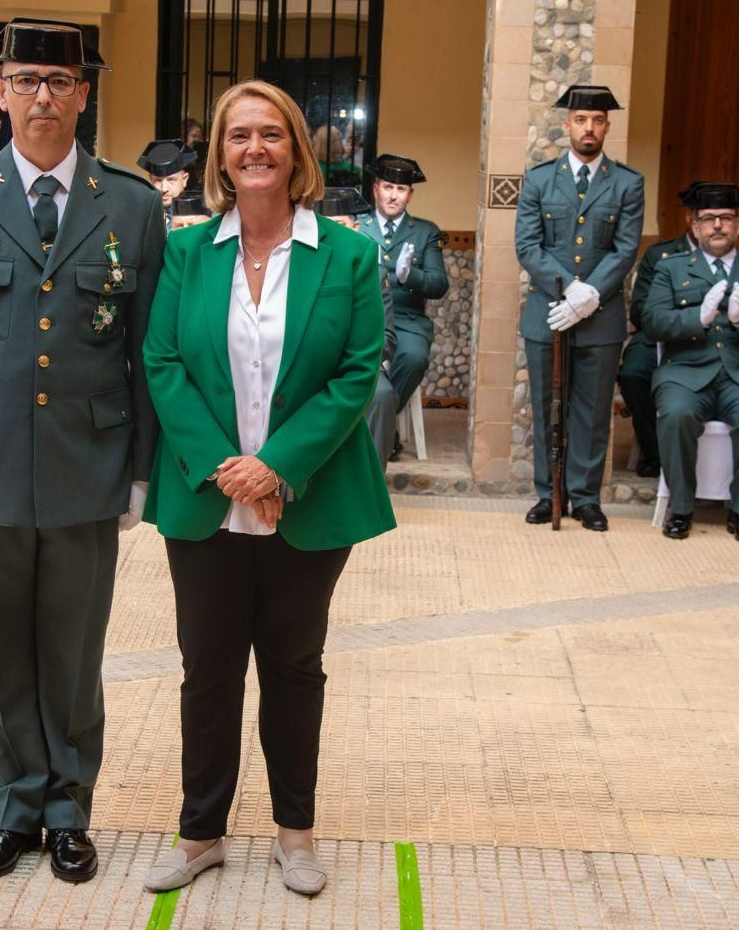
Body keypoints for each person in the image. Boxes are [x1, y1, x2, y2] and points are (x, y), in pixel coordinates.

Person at [0, 19, 164, 885]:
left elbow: (146, 350)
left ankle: (69, 810)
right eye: (26, 79)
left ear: (85, 93)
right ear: (0, 91)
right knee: (1, 644)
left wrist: (142, 470)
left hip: (89, 462)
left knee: (74, 650)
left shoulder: (129, 203)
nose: (42, 95)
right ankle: (15, 805)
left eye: (59, 79)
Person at [139, 80, 394, 898]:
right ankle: (201, 832)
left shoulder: (349, 254)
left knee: (294, 666)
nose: (255, 148)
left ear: (297, 151)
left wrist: (278, 466)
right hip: (206, 497)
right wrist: (229, 468)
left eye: (272, 134)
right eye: (239, 134)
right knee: (206, 668)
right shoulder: (186, 250)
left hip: (308, 498)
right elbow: (163, 362)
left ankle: (295, 831)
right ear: (219, 152)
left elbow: (357, 373)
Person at [514, 84, 645, 531]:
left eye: (598, 120)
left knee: (590, 411)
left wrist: (591, 296)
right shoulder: (538, 179)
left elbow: (625, 249)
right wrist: (568, 288)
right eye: (581, 120)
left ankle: (586, 498)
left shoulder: (628, 183)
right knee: (547, 405)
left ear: (606, 126)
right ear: (567, 124)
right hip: (548, 312)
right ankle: (548, 493)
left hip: (601, 316)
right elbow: (528, 246)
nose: (589, 128)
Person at [640, 182, 739, 544]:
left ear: (738, 225)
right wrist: (696, 320)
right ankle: (682, 507)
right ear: (695, 226)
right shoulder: (670, 268)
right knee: (676, 414)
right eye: (709, 219)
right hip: (686, 371)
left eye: (726, 218)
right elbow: (651, 321)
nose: (717, 225)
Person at [357, 155, 449, 450]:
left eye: (401, 189)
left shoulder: (425, 232)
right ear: (375, 189)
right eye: (388, 187)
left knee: (413, 357)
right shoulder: (357, 225)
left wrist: (411, 276)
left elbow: (439, 285)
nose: (393, 195)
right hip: (365, 316)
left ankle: (381, 421)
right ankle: (381, 426)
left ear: (410, 194)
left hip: (407, 320)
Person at [617, 187, 701, 478]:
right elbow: (639, 310)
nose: (715, 226)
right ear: (690, 217)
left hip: (706, 339)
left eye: (722, 219)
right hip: (657, 335)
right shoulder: (660, 255)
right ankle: (656, 452)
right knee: (632, 373)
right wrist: (684, 315)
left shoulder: (732, 259)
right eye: (704, 216)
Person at [317, 185, 398, 467]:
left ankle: (371, 478)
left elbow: (387, 337)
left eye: (340, 225)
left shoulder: (373, 272)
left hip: (357, 366)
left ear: (355, 225)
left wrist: (353, 363)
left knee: (382, 394)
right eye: (326, 227)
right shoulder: (298, 269)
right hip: (310, 366)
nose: (334, 234)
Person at [137, 138, 196, 233]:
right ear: (150, 180)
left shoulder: (199, 214)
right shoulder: (142, 217)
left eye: (171, 180)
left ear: (184, 179)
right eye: (158, 180)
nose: (164, 189)